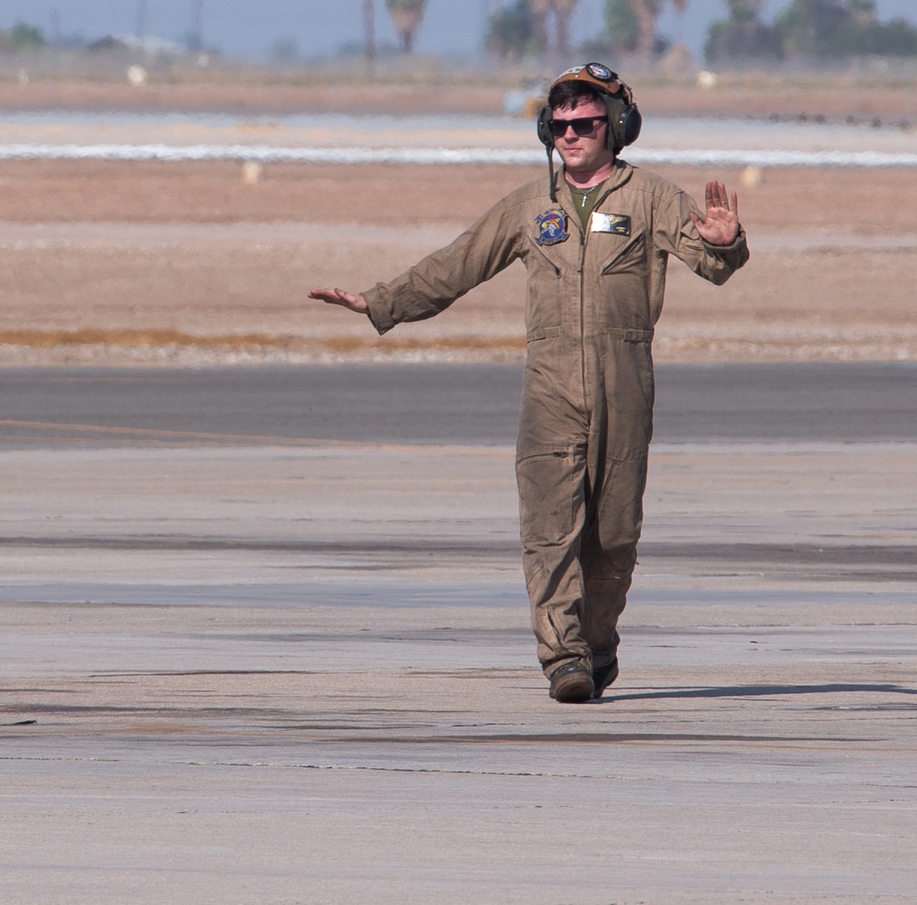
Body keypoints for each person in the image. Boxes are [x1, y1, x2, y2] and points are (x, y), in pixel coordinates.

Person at [309, 63, 748, 703]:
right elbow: (457, 264)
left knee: (614, 536)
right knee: (550, 530)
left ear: (617, 126)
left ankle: (598, 644)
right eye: (561, 123)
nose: (572, 134)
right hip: (550, 390)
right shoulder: (527, 206)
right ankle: (563, 657)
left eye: (587, 122)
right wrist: (379, 302)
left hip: (625, 387)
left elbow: (712, 264)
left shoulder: (651, 198)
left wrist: (727, 245)